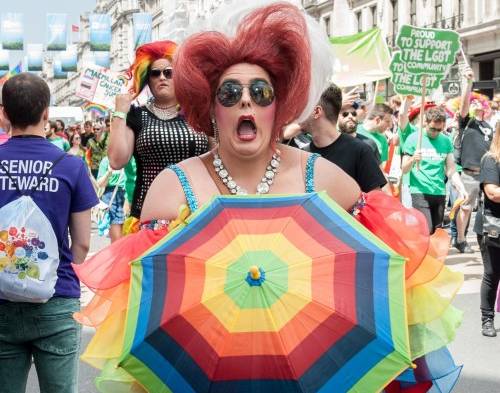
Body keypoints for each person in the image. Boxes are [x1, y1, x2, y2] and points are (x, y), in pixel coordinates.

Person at [74, 3, 463, 392]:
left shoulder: (324, 179)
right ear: (210, 106)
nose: (246, 102)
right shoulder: (173, 187)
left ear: (280, 105)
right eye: (229, 93)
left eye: (261, 92)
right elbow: (154, 316)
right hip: (208, 374)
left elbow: (380, 278)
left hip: (313, 370)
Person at [0, 73, 98, 393]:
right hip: (56, 299)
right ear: (47, 112)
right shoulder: (71, 167)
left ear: (4, 113)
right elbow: (82, 242)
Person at [109, 40, 210, 222]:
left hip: (199, 212)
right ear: (148, 80)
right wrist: (119, 112)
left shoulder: (199, 113)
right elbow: (116, 160)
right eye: (155, 74)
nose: (162, 77)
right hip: (150, 215)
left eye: (168, 72)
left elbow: (219, 157)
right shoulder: (136, 115)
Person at [301, 84, 386, 192]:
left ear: (317, 112)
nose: (297, 113)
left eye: (303, 107)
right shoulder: (303, 154)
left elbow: (376, 200)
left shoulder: (360, 151)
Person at [402, 107, 468, 234]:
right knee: (426, 229)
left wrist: (461, 188)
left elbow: (451, 169)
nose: (436, 132)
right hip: (419, 191)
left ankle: (433, 254)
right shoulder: (414, 138)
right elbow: (404, 169)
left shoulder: (445, 141)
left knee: (437, 231)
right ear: (425, 122)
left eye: (440, 129)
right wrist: (412, 159)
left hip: (439, 191)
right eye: (433, 129)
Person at [455, 67, 493, 253]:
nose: (478, 105)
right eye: (474, 102)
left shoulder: (489, 126)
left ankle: (487, 238)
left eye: (481, 103)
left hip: (488, 174)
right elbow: (463, 105)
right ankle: (461, 239)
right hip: (470, 172)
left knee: (489, 209)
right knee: (466, 207)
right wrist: (468, 83)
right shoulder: (466, 122)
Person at [473, 122, 500, 337]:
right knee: (492, 274)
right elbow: (492, 193)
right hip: (493, 227)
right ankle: (487, 319)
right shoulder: (491, 159)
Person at [96, 156, 126, 243]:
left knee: (127, 234)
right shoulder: (106, 161)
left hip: (128, 196)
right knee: (116, 238)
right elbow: (100, 184)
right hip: (111, 197)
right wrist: (109, 172)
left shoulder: (129, 159)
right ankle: (117, 255)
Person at [356, 103, 394, 169]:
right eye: (387, 121)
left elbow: (382, 168)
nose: (390, 126)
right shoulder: (353, 131)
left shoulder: (383, 140)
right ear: (377, 120)